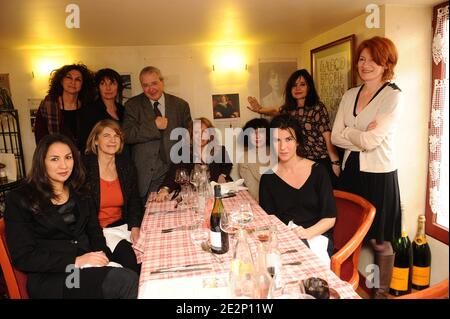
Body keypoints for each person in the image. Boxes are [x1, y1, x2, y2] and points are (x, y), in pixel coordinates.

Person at [3, 134, 138, 298]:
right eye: (54, 159)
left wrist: (103, 258)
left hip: (86, 265)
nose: (63, 165)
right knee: (123, 280)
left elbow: (94, 231)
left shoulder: (80, 191)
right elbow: (23, 257)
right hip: (55, 277)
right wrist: (75, 261)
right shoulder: (20, 198)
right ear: (41, 162)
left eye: (68, 157)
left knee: (135, 265)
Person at [331, 36, 402, 299]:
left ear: (386, 64)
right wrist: (359, 133)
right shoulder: (350, 95)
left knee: (381, 240)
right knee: (347, 231)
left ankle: (381, 294)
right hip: (352, 170)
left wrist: (350, 132)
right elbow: (335, 137)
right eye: (362, 59)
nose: (366, 65)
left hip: (380, 175)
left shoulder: (392, 96)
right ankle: (346, 285)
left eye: (373, 60)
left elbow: (372, 142)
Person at [259, 114, 336, 258]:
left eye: (289, 139)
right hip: (285, 240)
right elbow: (269, 221)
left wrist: (306, 233)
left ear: (298, 142)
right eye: (277, 140)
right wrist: (289, 237)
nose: (283, 147)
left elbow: (330, 218)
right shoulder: (267, 178)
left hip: (316, 236)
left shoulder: (318, 171)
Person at [248, 69, 340, 187]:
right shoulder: (289, 109)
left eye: (302, 84)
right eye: (294, 85)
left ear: (309, 87)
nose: (298, 88)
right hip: (298, 161)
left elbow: (327, 137)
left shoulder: (317, 107)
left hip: (319, 161)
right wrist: (260, 109)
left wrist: (335, 162)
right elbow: (276, 111)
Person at [122, 66, 192, 204]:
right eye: (145, 85)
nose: (151, 88)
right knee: (150, 217)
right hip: (147, 175)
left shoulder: (181, 105)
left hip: (175, 171)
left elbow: (188, 138)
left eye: (154, 83)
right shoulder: (132, 105)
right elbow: (127, 135)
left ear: (162, 82)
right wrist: (154, 126)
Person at [82, 120, 143, 274]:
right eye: (106, 135)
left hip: (124, 226)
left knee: (153, 253)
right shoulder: (84, 167)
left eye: (117, 135)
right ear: (95, 140)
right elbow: (85, 212)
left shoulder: (126, 164)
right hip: (100, 231)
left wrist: (135, 226)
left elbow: (135, 198)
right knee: (133, 262)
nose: (113, 139)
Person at [154, 117, 232, 202]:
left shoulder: (220, 150)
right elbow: (173, 173)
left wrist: (222, 175)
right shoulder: (183, 152)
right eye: (196, 132)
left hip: (214, 195)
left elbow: (227, 165)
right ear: (191, 134)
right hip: (193, 197)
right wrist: (165, 189)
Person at [34, 63, 95, 145]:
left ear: (83, 84)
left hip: (82, 155)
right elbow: (40, 137)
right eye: (69, 77)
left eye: (78, 79)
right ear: (61, 81)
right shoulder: (48, 105)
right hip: (55, 154)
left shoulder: (86, 106)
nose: (73, 82)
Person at [78, 68, 125, 153]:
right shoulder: (88, 111)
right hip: (97, 159)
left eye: (112, 83)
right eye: (103, 84)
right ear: (98, 88)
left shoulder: (123, 110)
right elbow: (84, 143)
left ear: (118, 87)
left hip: (122, 157)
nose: (108, 88)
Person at [237, 118, 271, 202]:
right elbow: (254, 192)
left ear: (267, 135)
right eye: (252, 132)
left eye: (261, 132)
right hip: (263, 203)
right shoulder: (244, 159)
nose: (257, 136)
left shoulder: (278, 152)